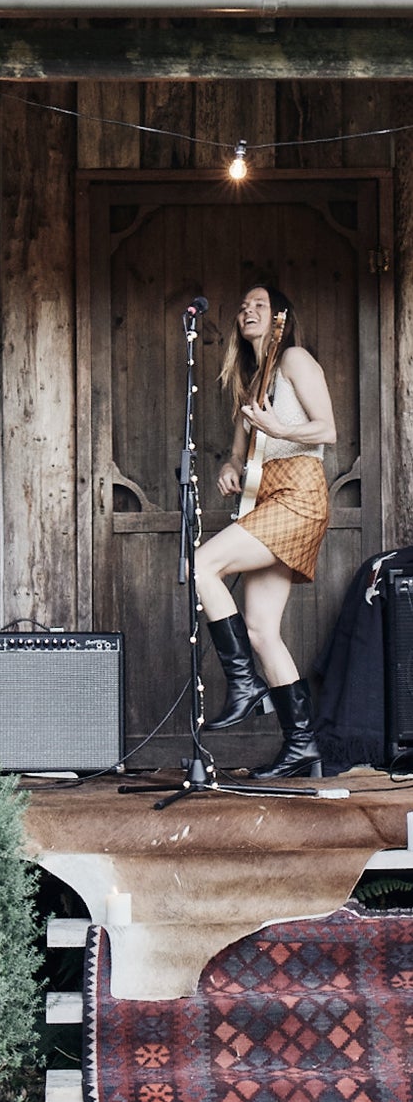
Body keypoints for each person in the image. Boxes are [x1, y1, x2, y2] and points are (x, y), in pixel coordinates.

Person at [195, 284, 336, 779]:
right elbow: (241, 451)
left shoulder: (295, 359)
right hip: (267, 497)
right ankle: (303, 746)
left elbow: (327, 430)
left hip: (300, 494)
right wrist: (230, 467)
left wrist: (281, 431)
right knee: (260, 629)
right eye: (242, 306)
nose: (246, 311)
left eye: (259, 305)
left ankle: (244, 686)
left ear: (280, 317)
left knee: (204, 564)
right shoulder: (251, 384)